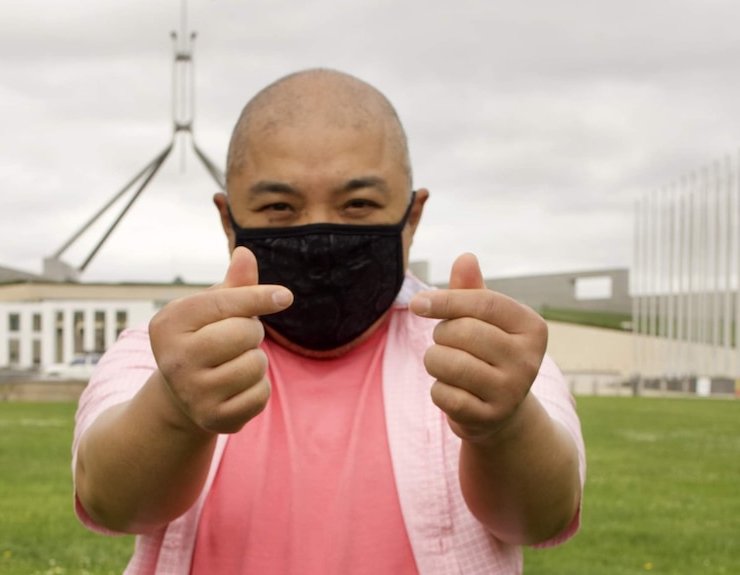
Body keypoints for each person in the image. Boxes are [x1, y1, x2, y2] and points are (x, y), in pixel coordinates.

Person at [72, 68, 585, 575]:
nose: (320, 233)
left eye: (358, 204)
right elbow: (112, 503)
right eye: (279, 206)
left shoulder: (486, 350)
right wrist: (174, 408)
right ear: (229, 221)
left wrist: (504, 424)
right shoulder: (165, 350)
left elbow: (539, 520)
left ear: (412, 216)